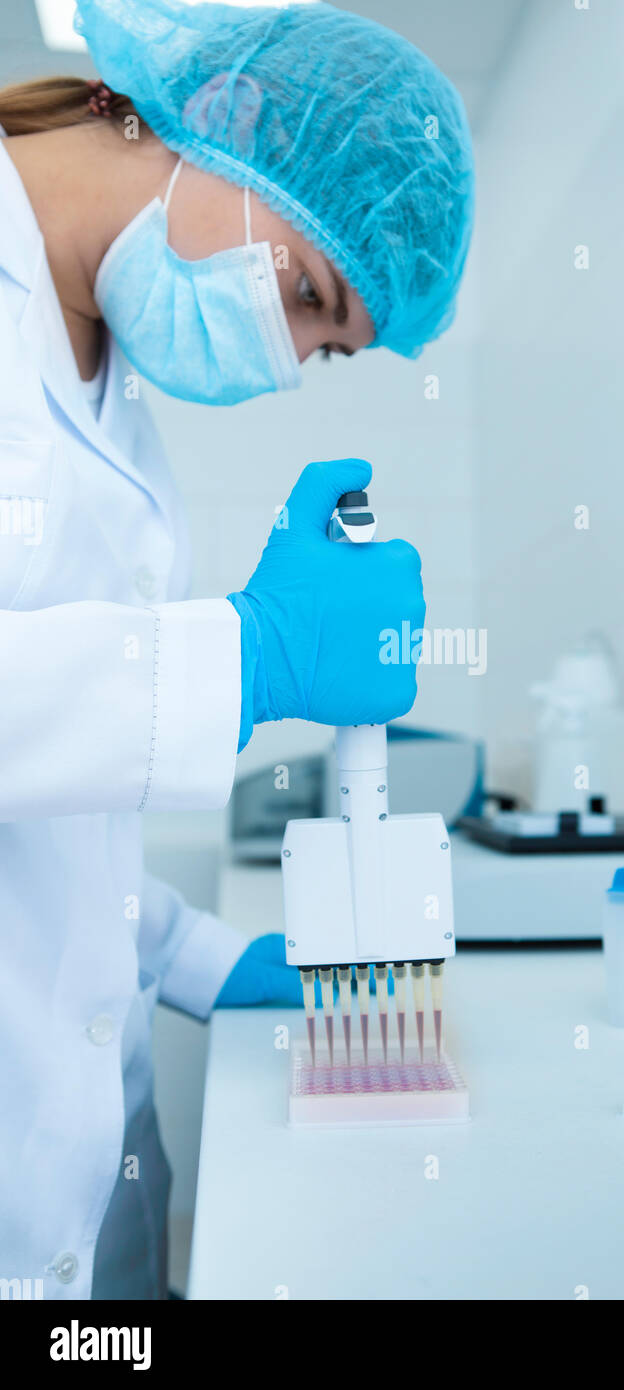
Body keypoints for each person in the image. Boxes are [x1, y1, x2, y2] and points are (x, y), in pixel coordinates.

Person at [0, 0, 473, 1299]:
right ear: (221, 124)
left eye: (326, 352)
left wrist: (198, 958)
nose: (289, 360)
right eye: (312, 300)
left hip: (85, 1164)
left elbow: (46, 830)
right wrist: (246, 656)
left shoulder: (104, 371)